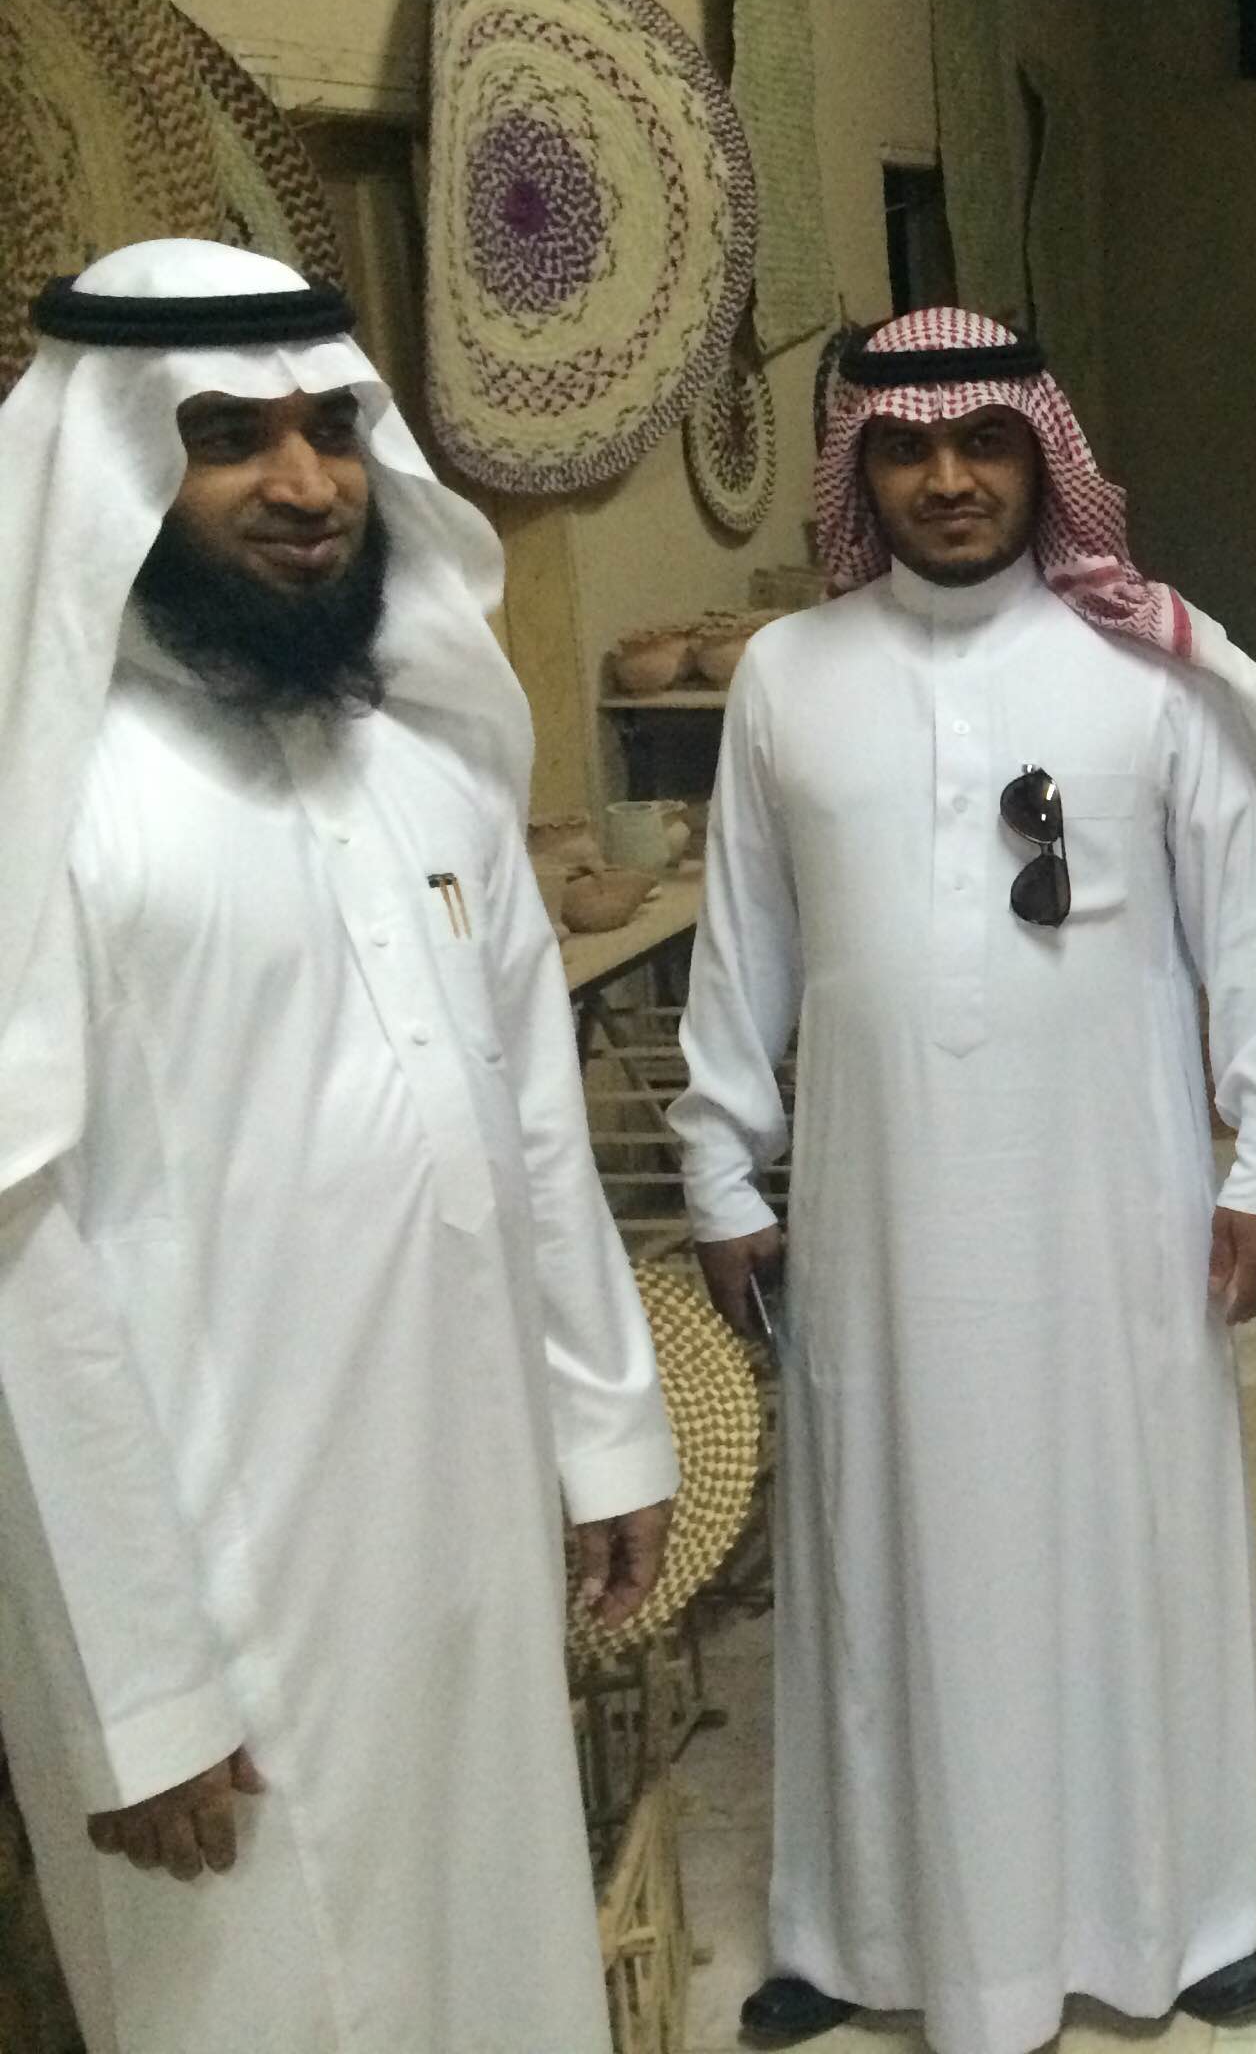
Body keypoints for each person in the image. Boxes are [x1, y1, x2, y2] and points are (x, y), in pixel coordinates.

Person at [0, 240, 678, 2053]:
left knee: (497, 1961)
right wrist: (134, 1688)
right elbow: (16, 1268)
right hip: (223, 1603)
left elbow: (531, 1124)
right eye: (229, 439)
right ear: (116, 472)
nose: (305, 486)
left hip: (465, 1527)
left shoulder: (427, 767)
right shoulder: (48, 807)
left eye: (331, 431)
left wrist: (605, 1429)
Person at [671, 307, 1256, 2054]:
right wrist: (722, 1167)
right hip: (881, 1217)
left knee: (1134, 1535)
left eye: (983, 444)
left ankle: (1188, 1915)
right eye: (905, 448)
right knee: (880, 1549)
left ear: (1044, 458)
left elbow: (1246, 942)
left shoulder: (1149, 670)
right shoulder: (787, 676)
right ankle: (858, 1931)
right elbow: (742, 940)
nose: (946, 479)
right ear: (861, 472)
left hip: (1115, 1206)